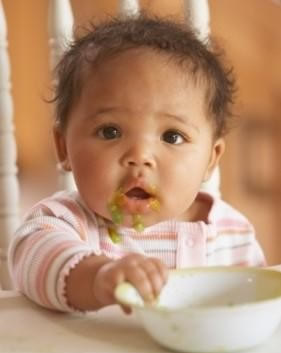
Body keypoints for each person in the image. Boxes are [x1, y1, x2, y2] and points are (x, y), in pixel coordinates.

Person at [8, 14, 265, 313]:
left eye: (172, 136)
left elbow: (256, 310)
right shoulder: (65, 223)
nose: (140, 156)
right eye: (110, 131)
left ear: (211, 158)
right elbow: (34, 259)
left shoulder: (232, 234)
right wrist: (98, 277)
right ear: (63, 146)